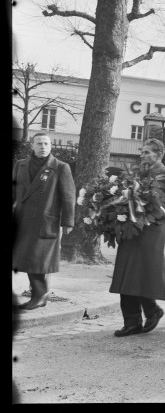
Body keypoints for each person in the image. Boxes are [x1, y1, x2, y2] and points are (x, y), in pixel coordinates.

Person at [109, 138, 165, 337]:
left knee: (142, 273)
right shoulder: (136, 172)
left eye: (147, 152)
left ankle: (150, 311)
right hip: (130, 227)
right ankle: (133, 321)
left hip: (151, 230)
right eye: (142, 151)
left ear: (159, 155)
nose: (142, 155)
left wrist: (146, 207)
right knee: (127, 272)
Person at [12, 132, 76, 310]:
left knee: (38, 260)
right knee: (26, 259)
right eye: (39, 143)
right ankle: (39, 295)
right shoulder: (21, 165)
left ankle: (40, 295)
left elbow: (69, 196)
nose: (43, 147)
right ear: (32, 146)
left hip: (45, 220)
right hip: (23, 219)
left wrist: (68, 222)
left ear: (51, 146)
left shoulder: (60, 167)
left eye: (46, 144)